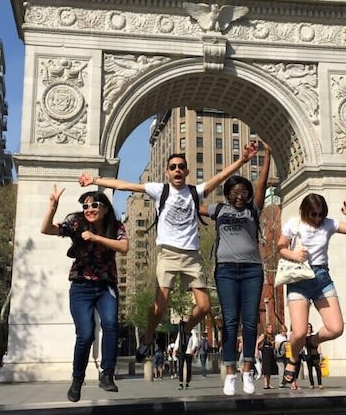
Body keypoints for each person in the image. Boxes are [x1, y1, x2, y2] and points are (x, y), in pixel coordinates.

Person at [79, 143, 259, 363]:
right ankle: (147, 339)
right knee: (160, 306)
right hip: (168, 254)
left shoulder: (195, 191)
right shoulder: (159, 190)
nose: (177, 170)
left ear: (187, 171)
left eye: (181, 166)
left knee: (204, 306)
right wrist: (95, 180)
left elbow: (220, 177)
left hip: (192, 256)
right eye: (173, 167)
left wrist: (242, 160)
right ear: (167, 172)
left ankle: (185, 329)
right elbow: (125, 185)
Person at [41, 187, 128, 402]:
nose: (89, 209)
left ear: (105, 209)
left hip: (106, 285)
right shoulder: (77, 223)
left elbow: (123, 247)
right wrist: (52, 208)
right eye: (86, 206)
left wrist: (96, 238)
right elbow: (46, 229)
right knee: (86, 334)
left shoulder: (115, 226)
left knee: (111, 324)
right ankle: (77, 379)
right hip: (81, 286)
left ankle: (107, 374)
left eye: (94, 205)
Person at [201, 142, 271, 395]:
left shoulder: (253, 209)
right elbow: (190, 201)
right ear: (227, 194)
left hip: (252, 270)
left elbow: (262, 184)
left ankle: (247, 370)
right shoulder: (218, 209)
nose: (240, 196)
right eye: (235, 192)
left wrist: (267, 155)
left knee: (251, 321)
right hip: (226, 271)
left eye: (244, 192)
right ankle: (230, 372)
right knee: (230, 321)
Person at [276, 194, 346, 389]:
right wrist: (293, 254)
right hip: (299, 278)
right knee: (298, 332)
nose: (317, 218)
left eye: (320, 214)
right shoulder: (294, 223)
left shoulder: (329, 224)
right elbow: (280, 247)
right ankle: (293, 360)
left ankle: (312, 342)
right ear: (304, 212)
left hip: (321, 278)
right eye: (313, 214)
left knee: (336, 328)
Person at [176, 325, 199, 390]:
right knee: (180, 366)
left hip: (189, 351)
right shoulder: (180, 332)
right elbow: (177, 340)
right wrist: (175, 349)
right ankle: (180, 383)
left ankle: (187, 383)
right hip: (181, 351)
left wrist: (193, 349)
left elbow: (195, 340)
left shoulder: (192, 331)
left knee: (188, 367)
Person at [256, 324, 277, 389]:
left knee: (270, 367)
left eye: (271, 327)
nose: (271, 329)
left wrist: (274, 344)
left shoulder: (272, 335)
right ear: (266, 328)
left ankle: (268, 383)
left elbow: (273, 345)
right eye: (269, 328)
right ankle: (265, 383)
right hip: (265, 351)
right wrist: (256, 350)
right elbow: (257, 342)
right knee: (266, 367)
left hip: (271, 351)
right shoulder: (264, 335)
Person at [304, 323, 322, 389]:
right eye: (307, 327)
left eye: (310, 327)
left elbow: (319, 344)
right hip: (308, 355)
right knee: (310, 370)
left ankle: (320, 383)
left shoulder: (314, 335)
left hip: (315, 354)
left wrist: (320, 354)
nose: (309, 328)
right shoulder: (303, 336)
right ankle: (312, 384)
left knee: (318, 369)